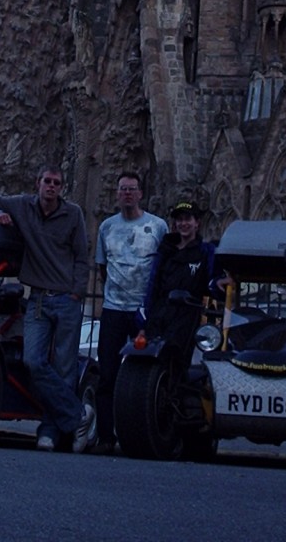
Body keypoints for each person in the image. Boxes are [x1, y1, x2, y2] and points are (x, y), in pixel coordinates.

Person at [0, 163, 93, 453]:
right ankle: (79, 416)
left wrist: (78, 293)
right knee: (33, 362)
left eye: (56, 182)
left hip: (66, 300)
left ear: (61, 188)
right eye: (47, 181)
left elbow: (82, 255)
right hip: (38, 299)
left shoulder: (73, 213)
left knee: (64, 369)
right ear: (37, 183)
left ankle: (50, 432)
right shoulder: (22, 206)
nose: (51, 186)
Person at [94, 171, 167, 454]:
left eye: (132, 189)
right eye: (122, 189)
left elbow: (161, 268)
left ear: (140, 193)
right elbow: (103, 268)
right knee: (107, 374)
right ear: (117, 193)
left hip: (143, 312)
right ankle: (105, 437)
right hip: (113, 309)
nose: (127, 194)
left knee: (143, 376)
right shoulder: (106, 227)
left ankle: (140, 435)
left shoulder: (157, 226)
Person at [141, 201, 216, 359]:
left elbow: (212, 279)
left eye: (188, 219)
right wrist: (145, 315)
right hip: (161, 311)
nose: (183, 223)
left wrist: (219, 282)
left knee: (176, 357)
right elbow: (153, 284)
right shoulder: (166, 250)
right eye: (180, 220)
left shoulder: (205, 252)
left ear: (197, 223)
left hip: (187, 314)